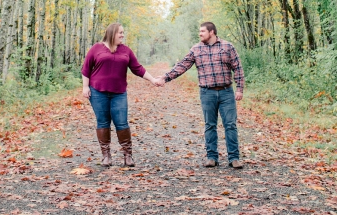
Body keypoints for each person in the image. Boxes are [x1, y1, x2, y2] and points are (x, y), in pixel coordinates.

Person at [156, 22, 245, 168]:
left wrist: (240, 89)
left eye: (202, 31)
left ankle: (234, 158)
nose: (200, 34)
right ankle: (211, 157)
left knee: (230, 125)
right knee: (210, 125)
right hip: (207, 93)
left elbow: (238, 68)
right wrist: (165, 78)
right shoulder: (196, 49)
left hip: (226, 92)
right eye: (199, 31)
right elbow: (182, 65)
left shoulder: (227, 47)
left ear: (212, 32)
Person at [82, 23, 160, 167]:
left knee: (122, 122)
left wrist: (153, 79)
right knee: (103, 122)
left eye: (123, 33)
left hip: (119, 93)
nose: (122, 35)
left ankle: (128, 155)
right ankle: (106, 156)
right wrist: (85, 87)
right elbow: (86, 68)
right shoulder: (96, 48)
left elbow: (137, 68)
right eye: (120, 33)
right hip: (98, 92)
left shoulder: (126, 51)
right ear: (112, 33)